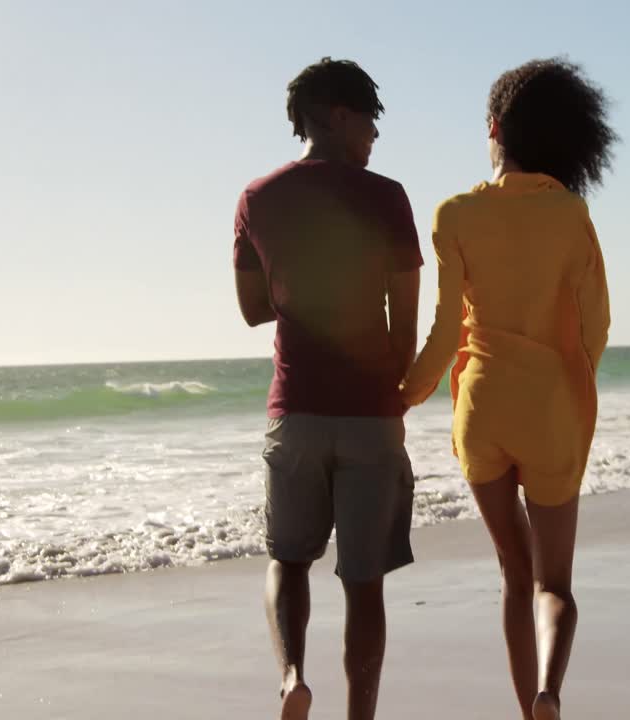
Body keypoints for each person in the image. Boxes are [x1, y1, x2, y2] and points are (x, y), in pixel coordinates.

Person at [400, 58, 615, 720]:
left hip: (482, 411)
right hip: (549, 411)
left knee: (513, 576)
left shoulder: (454, 214)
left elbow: (442, 333)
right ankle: (549, 693)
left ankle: (527, 711)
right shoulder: (571, 213)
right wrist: (567, 393)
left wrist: (405, 395)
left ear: (495, 128)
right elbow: (596, 327)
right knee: (556, 585)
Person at [233, 57, 422, 720]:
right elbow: (406, 323)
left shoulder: (257, 199)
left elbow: (253, 310)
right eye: (370, 120)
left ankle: (291, 678)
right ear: (338, 116)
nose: (375, 135)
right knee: (363, 585)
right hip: (371, 415)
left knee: (287, 560)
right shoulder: (387, 197)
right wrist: (392, 387)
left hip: (297, 413)